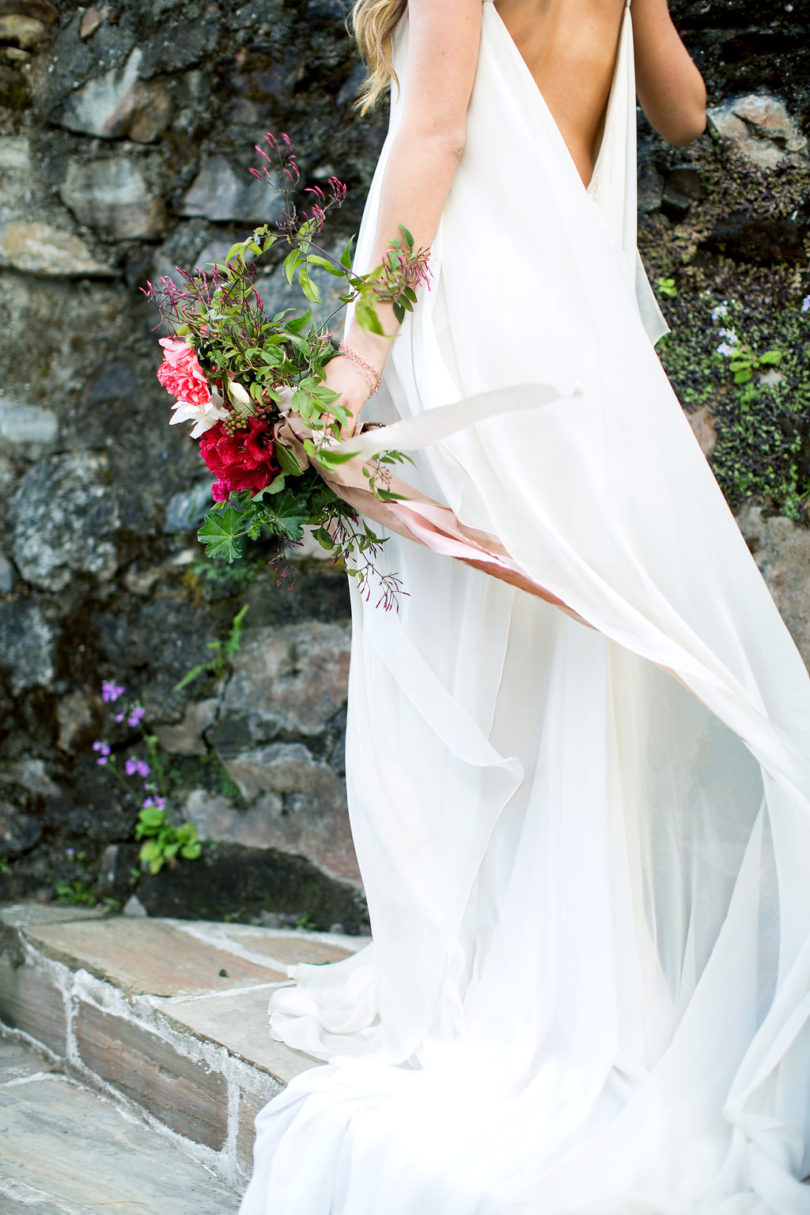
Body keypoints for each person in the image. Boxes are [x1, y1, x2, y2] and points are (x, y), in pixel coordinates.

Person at [239, 1, 810, 1211]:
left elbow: (428, 142)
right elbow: (687, 110)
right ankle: (579, 974)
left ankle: (497, 986)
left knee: (457, 659)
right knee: (572, 668)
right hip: (584, 348)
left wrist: (349, 369)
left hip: (474, 342)